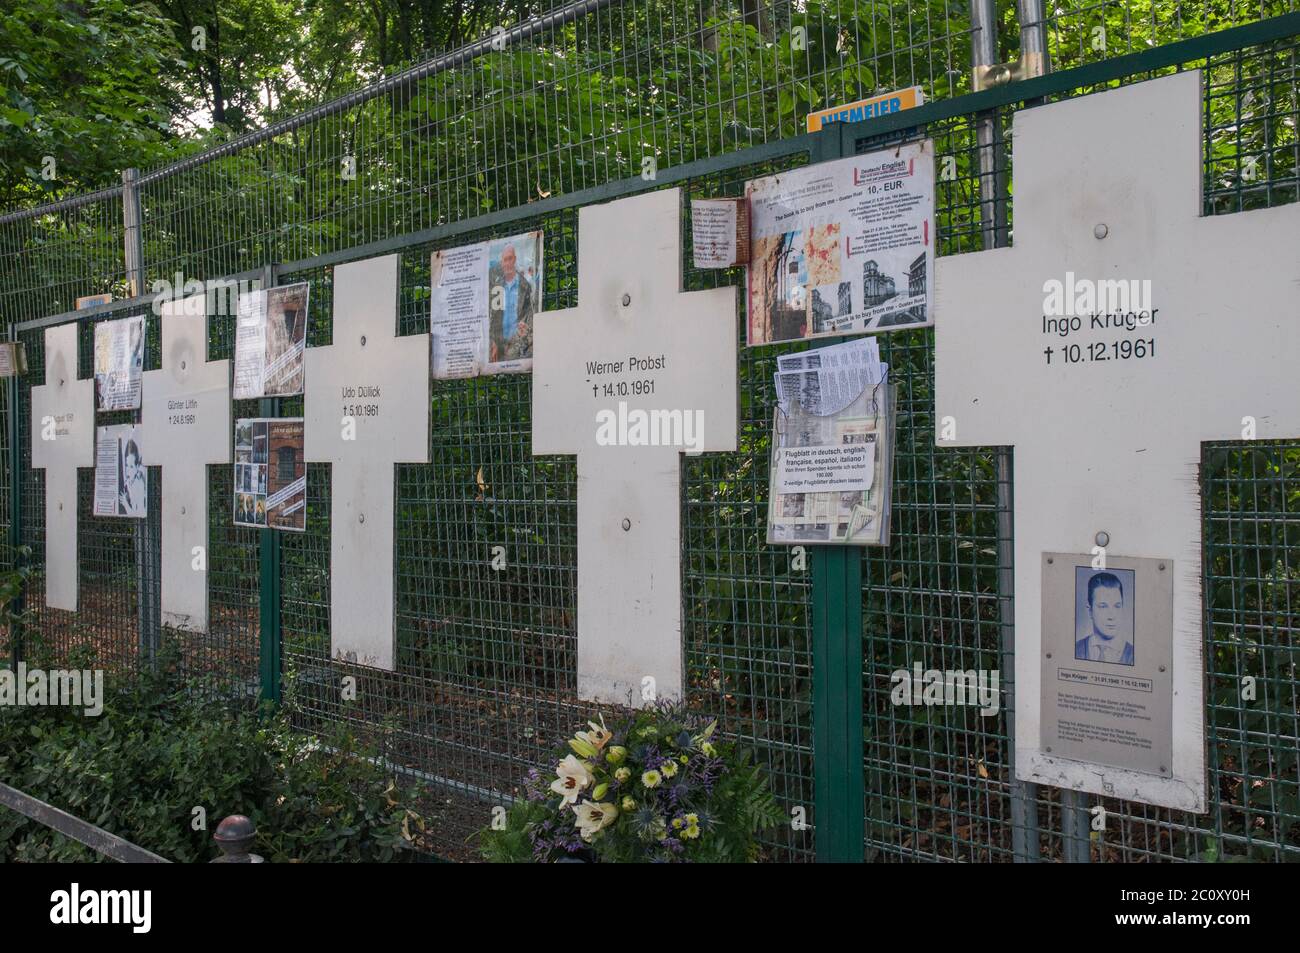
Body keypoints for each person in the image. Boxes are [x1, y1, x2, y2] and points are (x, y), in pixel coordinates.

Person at [488, 242, 535, 362]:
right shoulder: (496, 287)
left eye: (510, 259)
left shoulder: (525, 286)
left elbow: (530, 316)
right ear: (502, 263)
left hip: (518, 346)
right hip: (499, 348)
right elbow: (493, 317)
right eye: (505, 260)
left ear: (514, 259)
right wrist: (493, 342)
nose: (507, 263)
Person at [1075, 571, 1134, 665]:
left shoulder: (1134, 655)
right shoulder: (1075, 649)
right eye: (1103, 606)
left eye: (1117, 606)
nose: (1111, 616)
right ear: (1090, 611)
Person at [118, 438, 146, 516]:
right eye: (126, 465)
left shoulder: (139, 484)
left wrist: (125, 503)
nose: (128, 470)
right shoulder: (129, 481)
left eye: (131, 466)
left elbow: (139, 514)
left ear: (137, 466)